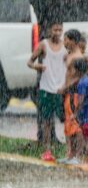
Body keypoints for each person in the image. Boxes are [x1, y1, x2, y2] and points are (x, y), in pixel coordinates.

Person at [27, 20, 66, 161]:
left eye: (60, 30)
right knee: (47, 122)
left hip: (60, 90)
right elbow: (29, 62)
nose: (57, 33)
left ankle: (70, 152)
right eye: (55, 30)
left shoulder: (65, 46)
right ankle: (47, 150)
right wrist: (37, 67)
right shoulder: (43, 45)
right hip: (46, 88)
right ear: (50, 30)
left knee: (66, 120)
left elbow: (70, 63)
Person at [57, 29, 84, 165]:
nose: (64, 42)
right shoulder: (70, 55)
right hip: (68, 93)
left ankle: (78, 156)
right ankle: (70, 154)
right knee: (68, 124)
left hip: (74, 93)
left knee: (76, 125)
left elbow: (79, 77)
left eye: (66, 39)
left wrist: (65, 88)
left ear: (73, 41)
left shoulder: (78, 57)